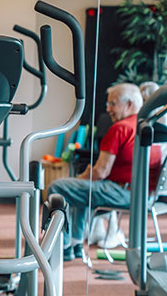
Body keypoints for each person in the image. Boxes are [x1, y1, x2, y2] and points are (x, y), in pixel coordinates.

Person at [49, 83, 162, 260]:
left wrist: (81, 177)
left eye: (113, 104)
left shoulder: (120, 128)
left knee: (59, 187)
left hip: (123, 194)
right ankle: (76, 244)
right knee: (80, 190)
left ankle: (63, 247)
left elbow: (100, 171)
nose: (108, 109)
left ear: (129, 104)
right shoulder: (151, 127)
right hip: (147, 196)